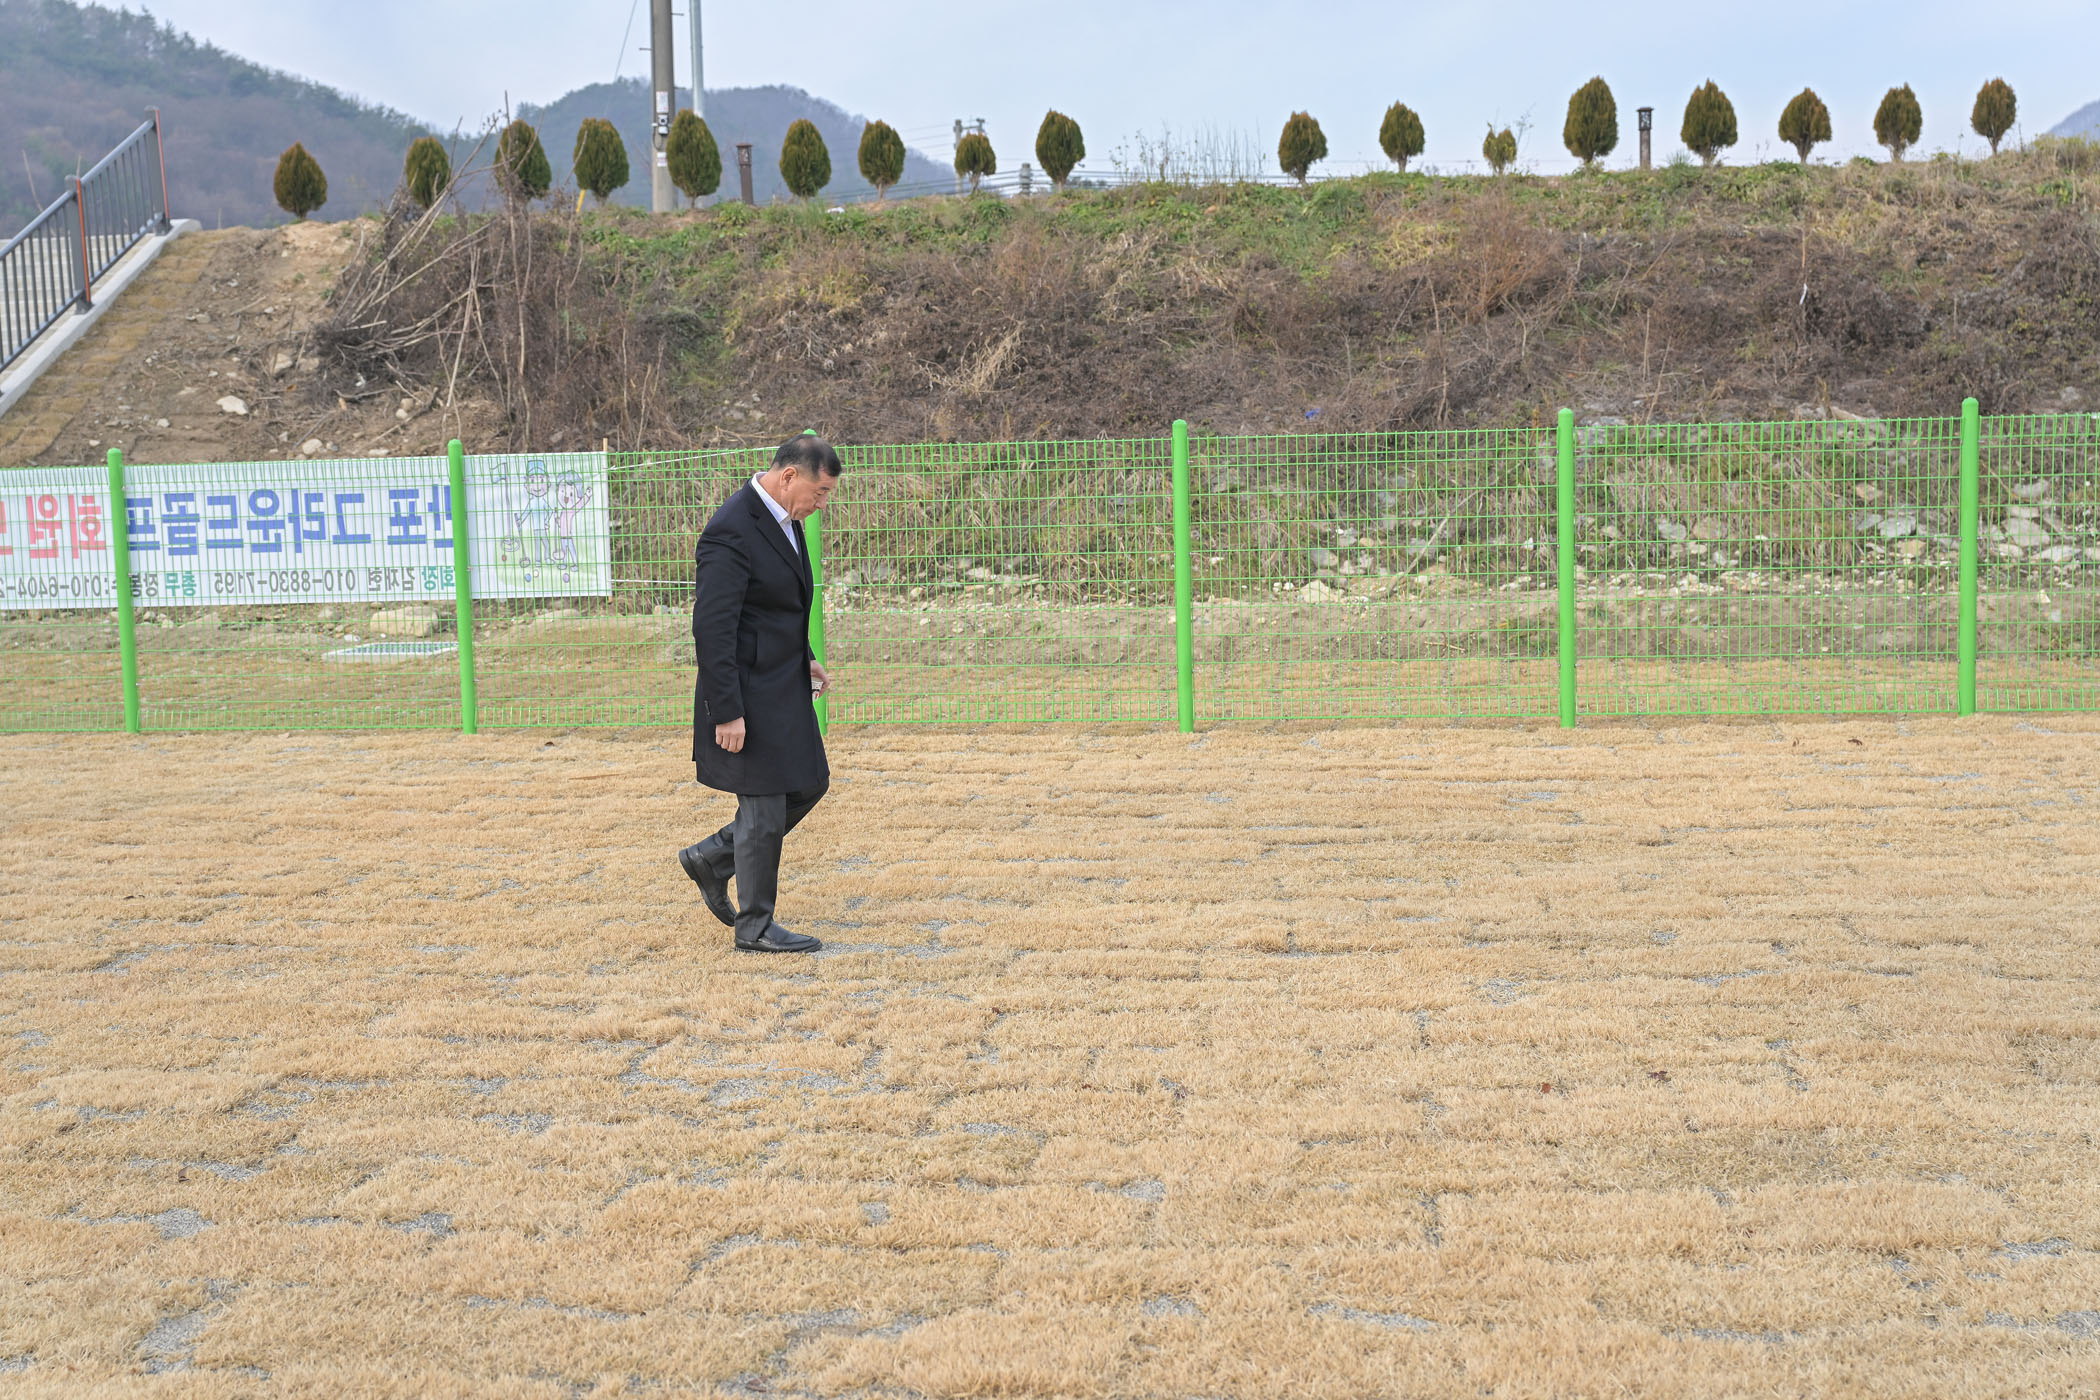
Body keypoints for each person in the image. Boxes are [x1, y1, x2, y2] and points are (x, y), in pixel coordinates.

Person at [677, 435, 841, 953]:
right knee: (764, 808)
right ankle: (754, 927)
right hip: (746, 693)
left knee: (810, 782)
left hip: (782, 682)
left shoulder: (788, 521)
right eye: (819, 492)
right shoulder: (731, 529)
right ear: (789, 476)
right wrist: (726, 711)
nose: (822, 504)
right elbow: (713, 628)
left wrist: (804, 654)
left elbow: (775, 607)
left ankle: (713, 858)